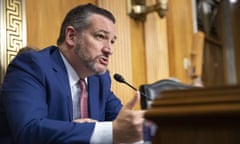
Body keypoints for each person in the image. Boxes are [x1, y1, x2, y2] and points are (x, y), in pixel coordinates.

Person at [0, 3, 145, 144]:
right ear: (71, 36)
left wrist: (138, 126)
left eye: (112, 41)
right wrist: (106, 131)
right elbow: (28, 131)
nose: (109, 50)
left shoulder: (100, 79)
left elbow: (122, 125)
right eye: (100, 36)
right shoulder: (31, 66)